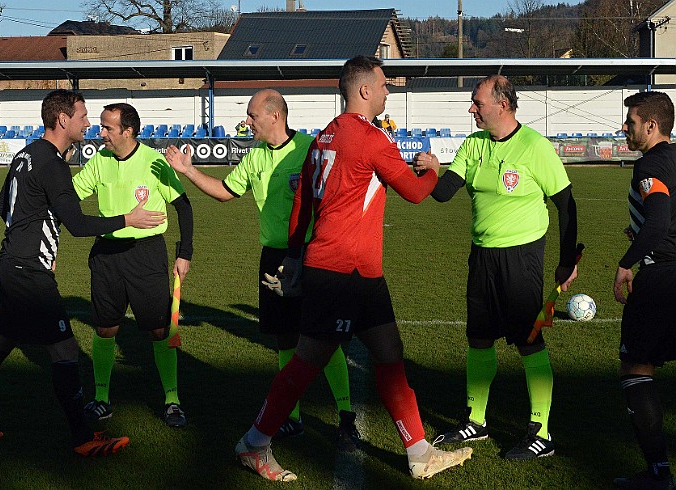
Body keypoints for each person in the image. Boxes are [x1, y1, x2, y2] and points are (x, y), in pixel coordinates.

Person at [232, 56, 473, 482]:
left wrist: (292, 257)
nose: (387, 91)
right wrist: (434, 170)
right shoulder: (369, 138)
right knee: (307, 361)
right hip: (342, 271)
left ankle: (419, 452)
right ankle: (253, 443)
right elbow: (417, 192)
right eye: (383, 84)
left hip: (359, 272)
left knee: (389, 354)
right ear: (363, 90)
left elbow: (302, 203)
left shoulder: (324, 136)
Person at [0, 89, 165, 456]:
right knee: (65, 350)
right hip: (29, 274)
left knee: (0, 342)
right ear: (63, 119)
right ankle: (83, 439)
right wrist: (128, 218)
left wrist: (35, 240)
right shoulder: (52, 163)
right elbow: (79, 224)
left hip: (10, 264)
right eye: (82, 116)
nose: (88, 123)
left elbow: (4, 207)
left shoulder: (24, 155)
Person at [164, 89, 357, 448]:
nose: (247, 121)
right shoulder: (254, 158)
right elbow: (225, 191)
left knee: (323, 340)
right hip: (273, 257)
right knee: (285, 337)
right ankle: (292, 416)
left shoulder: (310, 150)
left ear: (274, 116)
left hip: (313, 256)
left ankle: (346, 416)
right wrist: (188, 171)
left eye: (252, 115)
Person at [414, 74, 579, 460]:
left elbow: (566, 204)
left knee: (528, 340)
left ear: (501, 105)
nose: (472, 108)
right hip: (482, 256)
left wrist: (566, 259)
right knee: (479, 337)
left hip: (522, 258)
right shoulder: (473, 146)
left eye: (477, 102)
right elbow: (442, 194)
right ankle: (477, 420)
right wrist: (432, 169)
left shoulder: (535, 146)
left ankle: (542, 431)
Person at [72, 103, 194, 429]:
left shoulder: (154, 162)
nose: (101, 133)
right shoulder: (99, 160)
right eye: (100, 126)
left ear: (127, 130)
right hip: (107, 256)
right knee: (104, 327)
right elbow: (70, 196)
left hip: (147, 254)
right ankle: (101, 398)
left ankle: (172, 400)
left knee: (158, 330)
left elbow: (183, 207)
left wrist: (185, 253)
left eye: (107, 128)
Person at [612, 91, 676, 489]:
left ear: (651, 125)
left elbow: (657, 224)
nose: (625, 127)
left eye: (631, 121)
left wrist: (625, 263)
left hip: (660, 280)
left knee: (636, 370)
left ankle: (658, 474)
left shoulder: (648, 165)